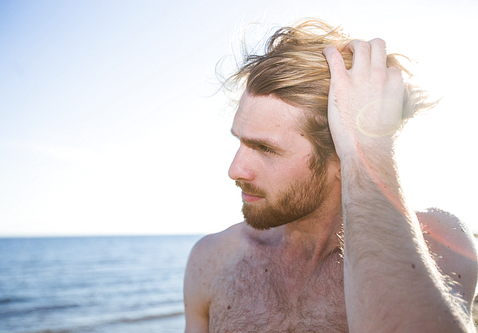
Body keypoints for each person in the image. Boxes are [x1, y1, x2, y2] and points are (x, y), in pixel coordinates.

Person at [183, 19, 478, 332]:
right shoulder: (211, 260)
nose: (235, 170)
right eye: (240, 141)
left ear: (342, 154)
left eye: (266, 149)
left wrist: (368, 151)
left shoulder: (438, 244)